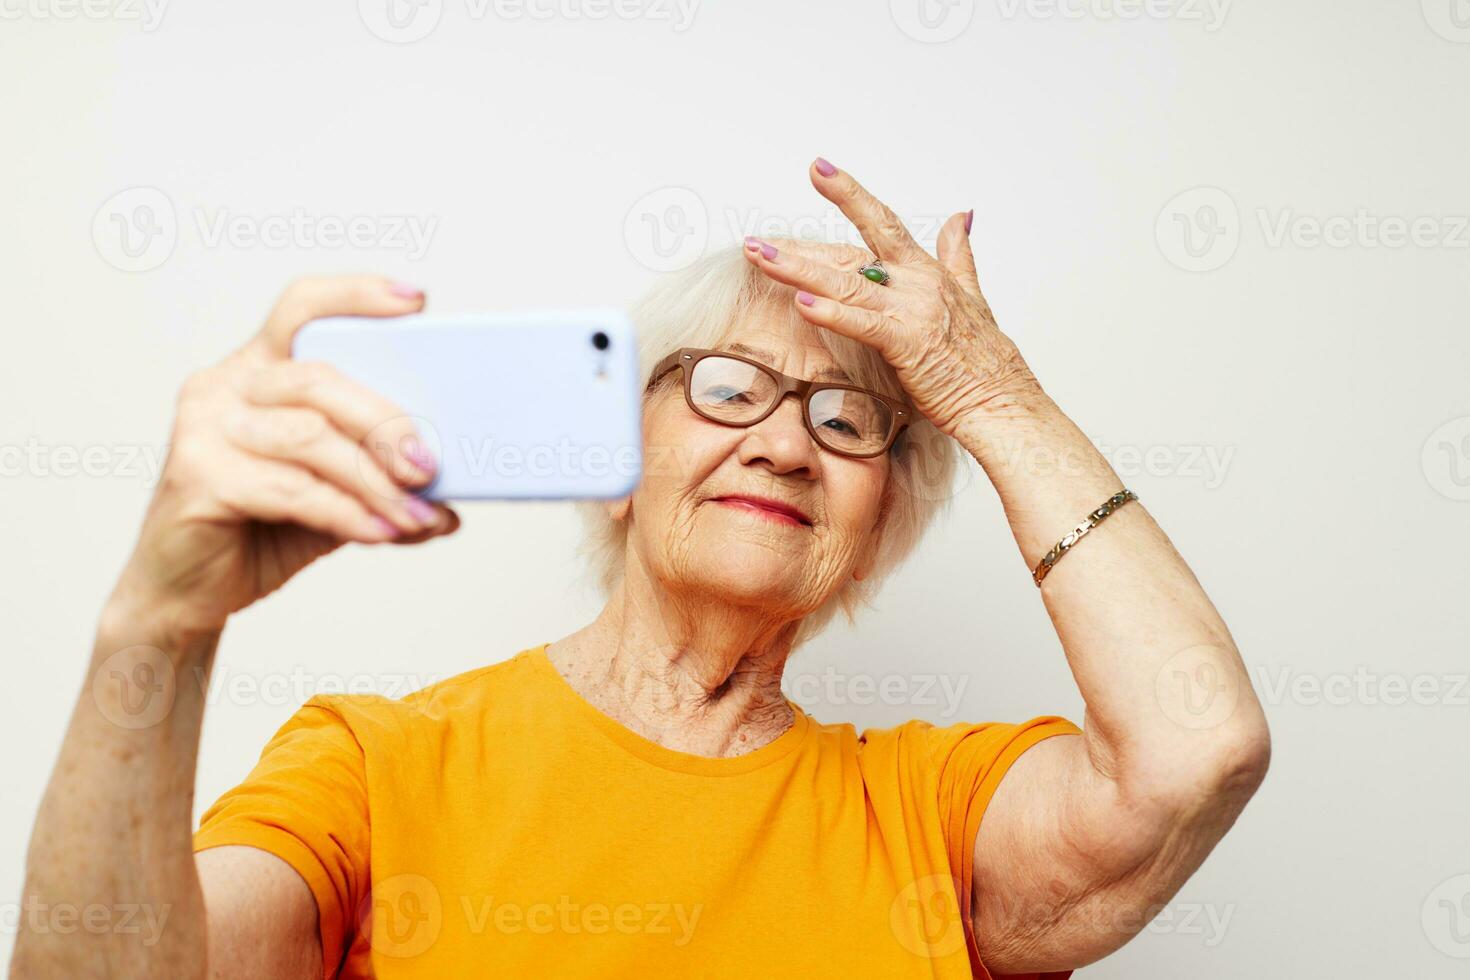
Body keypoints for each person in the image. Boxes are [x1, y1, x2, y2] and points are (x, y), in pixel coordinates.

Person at [13, 159, 1270, 979]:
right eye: (728, 389)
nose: (783, 442)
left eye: (846, 419)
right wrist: (159, 624)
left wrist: (988, 392)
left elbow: (1195, 749)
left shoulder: (931, 813)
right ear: (618, 458)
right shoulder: (377, 763)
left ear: (876, 522)